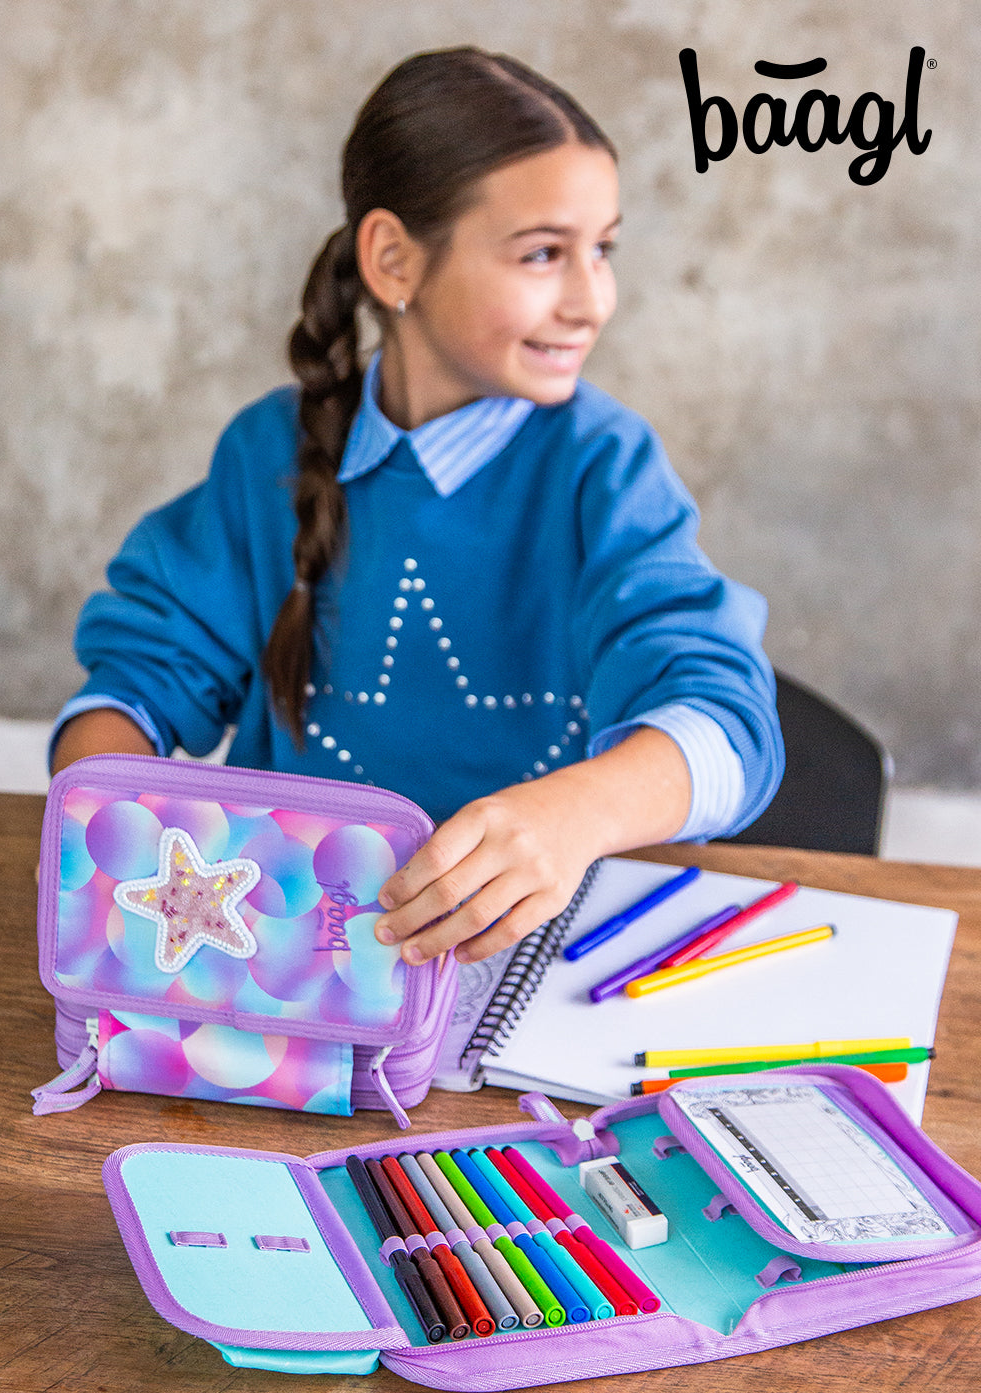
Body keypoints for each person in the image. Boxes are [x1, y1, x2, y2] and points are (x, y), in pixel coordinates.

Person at [50, 46, 784, 970]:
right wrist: (106, 829)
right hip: (292, 977)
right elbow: (136, 686)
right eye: (544, 254)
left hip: (534, 974)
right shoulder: (265, 456)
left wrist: (576, 815)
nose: (592, 299)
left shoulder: (605, 465)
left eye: (603, 250)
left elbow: (728, 725)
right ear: (394, 258)